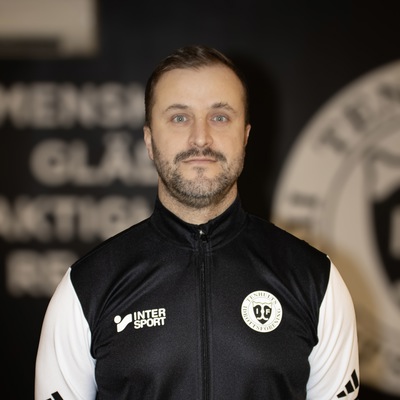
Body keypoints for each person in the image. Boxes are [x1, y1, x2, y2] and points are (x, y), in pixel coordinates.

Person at [35, 45, 360, 399]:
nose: (201, 138)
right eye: (179, 118)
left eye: (220, 117)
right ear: (149, 140)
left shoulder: (315, 280)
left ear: (245, 136)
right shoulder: (87, 287)